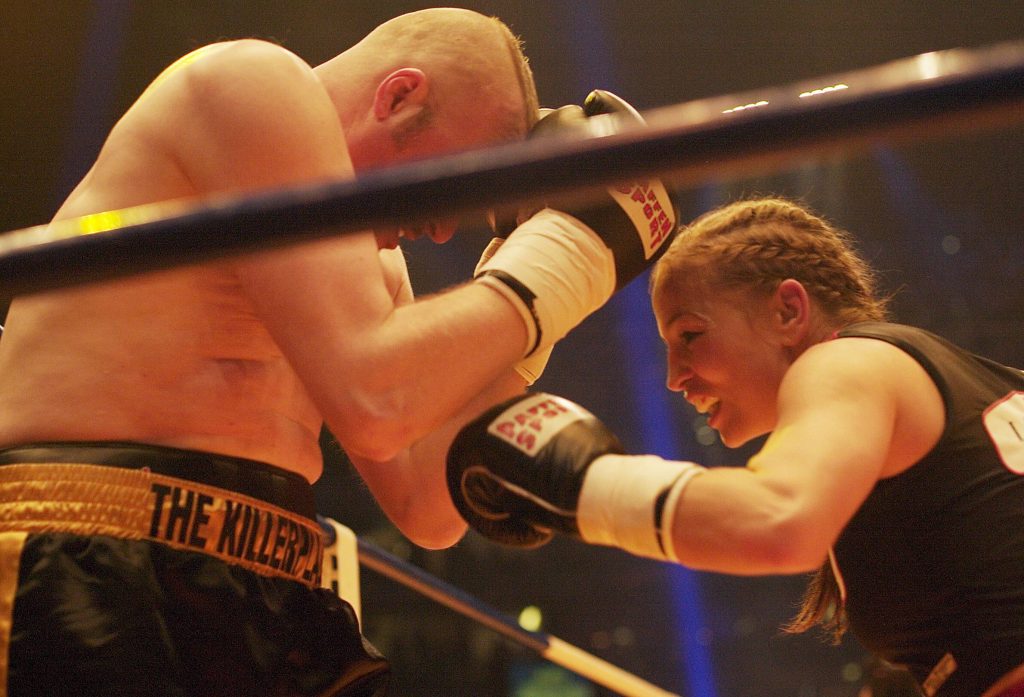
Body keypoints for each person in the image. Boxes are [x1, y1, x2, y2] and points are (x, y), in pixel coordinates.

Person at [0, 7, 678, 697]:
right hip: (95, 553)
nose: (444, 230)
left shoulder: (374, 272)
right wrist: (565, 258)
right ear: (398, 96)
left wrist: (539, 268)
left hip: (270, 586)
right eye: (452, 184)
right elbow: (376, 399)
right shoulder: (255, 82)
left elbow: (430, 501)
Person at [446, 196, 1024, 697]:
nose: (675, 376)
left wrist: (581, 482)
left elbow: (778, 521)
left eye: (691, 335)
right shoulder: (966, 381)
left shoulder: (845, 362)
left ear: (788, 310)